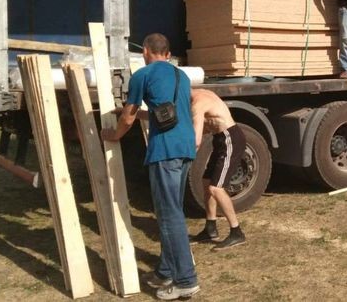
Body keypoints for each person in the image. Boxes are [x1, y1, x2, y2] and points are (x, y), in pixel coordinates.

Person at [101, 33, 199, 301]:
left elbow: (129, 117)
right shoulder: (182, 76)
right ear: (167, 53)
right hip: (186, 148)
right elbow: (165, 111)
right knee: (174, 211)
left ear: (145, 51)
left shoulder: (142, 75)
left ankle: (186, 280)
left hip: (164, 151)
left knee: (168, 216)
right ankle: (166, 271)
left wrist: (114, 134)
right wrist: (131, 114)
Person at [190, 88, 247, 251]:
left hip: (230, 140)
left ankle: (236, 232)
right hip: (220, 139)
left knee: (216, 188)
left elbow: (196, 140)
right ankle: (210, 229)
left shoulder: (198, 103)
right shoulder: (200, 93)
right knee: (207, 182)